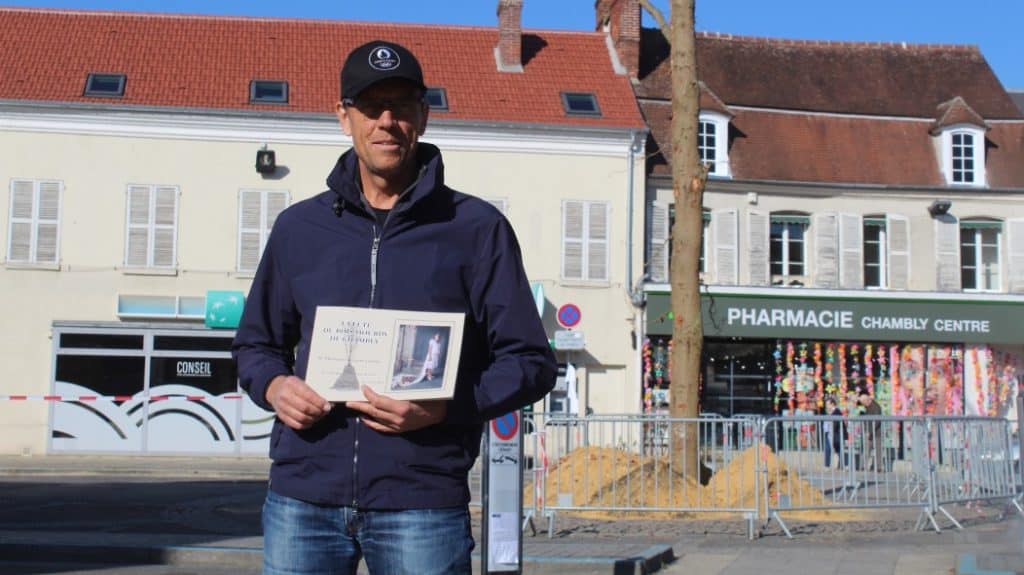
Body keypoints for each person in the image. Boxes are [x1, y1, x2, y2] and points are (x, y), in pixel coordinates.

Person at [232, 39, 557, 575]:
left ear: (423, 117)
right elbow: (254, 344)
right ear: (344, 117)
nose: (387, 121)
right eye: (370, 106)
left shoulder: (476, 230)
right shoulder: (299, 229)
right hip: (302, 499)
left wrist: (446, 404)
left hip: (422, 500)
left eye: (402, 106)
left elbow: (530, 361)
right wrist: (274, 387)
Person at [858, 390, 884, 472]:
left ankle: (878, 467)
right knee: (866, 450)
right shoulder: (868, 406)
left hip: (875, 432)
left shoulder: (876, 407)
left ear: (867, 400)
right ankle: (863, 466)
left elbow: (876, 421)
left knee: (877, 450)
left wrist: (870, 431)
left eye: (864, 403)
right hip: (870, 431)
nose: (863, 405)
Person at [822, 396, 845, 469]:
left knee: (839, 449)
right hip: (829, 433)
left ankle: (844, 464)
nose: (826, 406)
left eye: (828, 404)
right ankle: (827, 465)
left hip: (836, 433)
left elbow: (837, 423)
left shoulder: (837, 411)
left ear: (832, 404)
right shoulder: (828, 412)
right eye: (826, 404)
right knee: (828, 448)